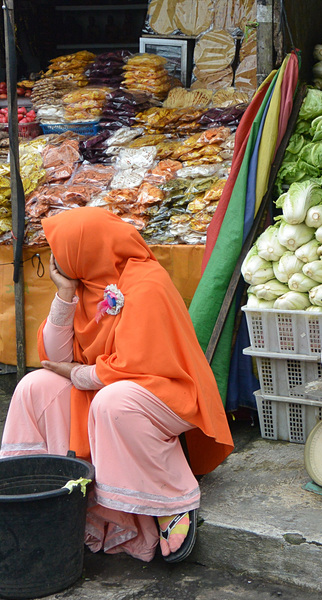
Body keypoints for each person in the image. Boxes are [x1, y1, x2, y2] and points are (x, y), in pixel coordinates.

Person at [0, 207, 234, 563]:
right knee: (37, 385)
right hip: (111, 384)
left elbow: (139, 366)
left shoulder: (146, 282)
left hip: (166, 391)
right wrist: (64, 295)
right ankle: (54, 490)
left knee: (114, 400)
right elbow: (55, 355)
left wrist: (78, 374)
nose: (54, 259)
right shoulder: (86, 285)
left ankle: (172, 500)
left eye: (59, 248)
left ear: (85, 248)